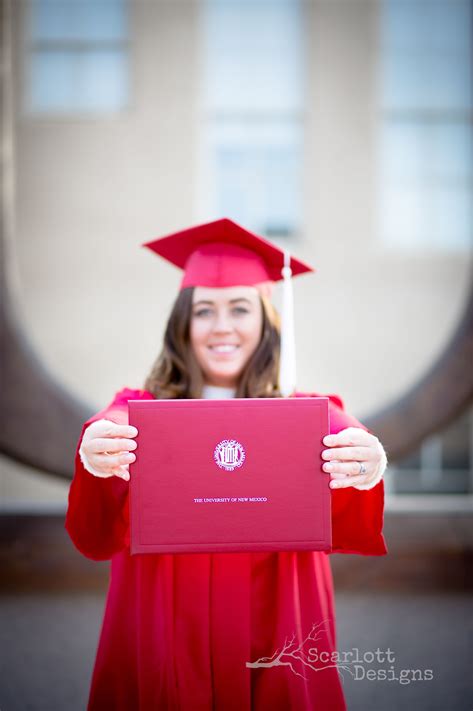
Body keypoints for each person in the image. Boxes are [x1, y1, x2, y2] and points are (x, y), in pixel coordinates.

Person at [66, 218, 387, 710]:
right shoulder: (141, 409)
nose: (222, 326)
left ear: (265, 320)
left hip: (275, 626)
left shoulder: (305, 412)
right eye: (204, 311)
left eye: (240, 308)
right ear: (182, 324)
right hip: (168, 631)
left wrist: (367, 458)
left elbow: (347, 434)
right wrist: (98, 447)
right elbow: (113, 421)